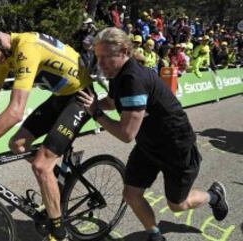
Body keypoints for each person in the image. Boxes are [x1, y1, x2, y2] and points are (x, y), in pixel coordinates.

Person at [0, 11, 93, 241]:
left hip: (81, 97)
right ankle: (56, 176)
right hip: (61, 97)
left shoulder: (27, 47)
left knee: (41, 166)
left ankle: (59, 233)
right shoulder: (5, 56)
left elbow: (15, 111)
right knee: (17, 144)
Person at [77, 27, 229, 241]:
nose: (100, 63)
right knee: (131, 194)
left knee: (178, 205)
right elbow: (112, 102)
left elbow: (126, 134)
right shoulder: (118, 74)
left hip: (175, 145)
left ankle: (214, 196)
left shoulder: (133, 80)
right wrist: (88, 105)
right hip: (149, 144)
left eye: (105, 57)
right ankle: (155, 235)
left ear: (123, 51)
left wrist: (95, 112)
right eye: (97, 57)